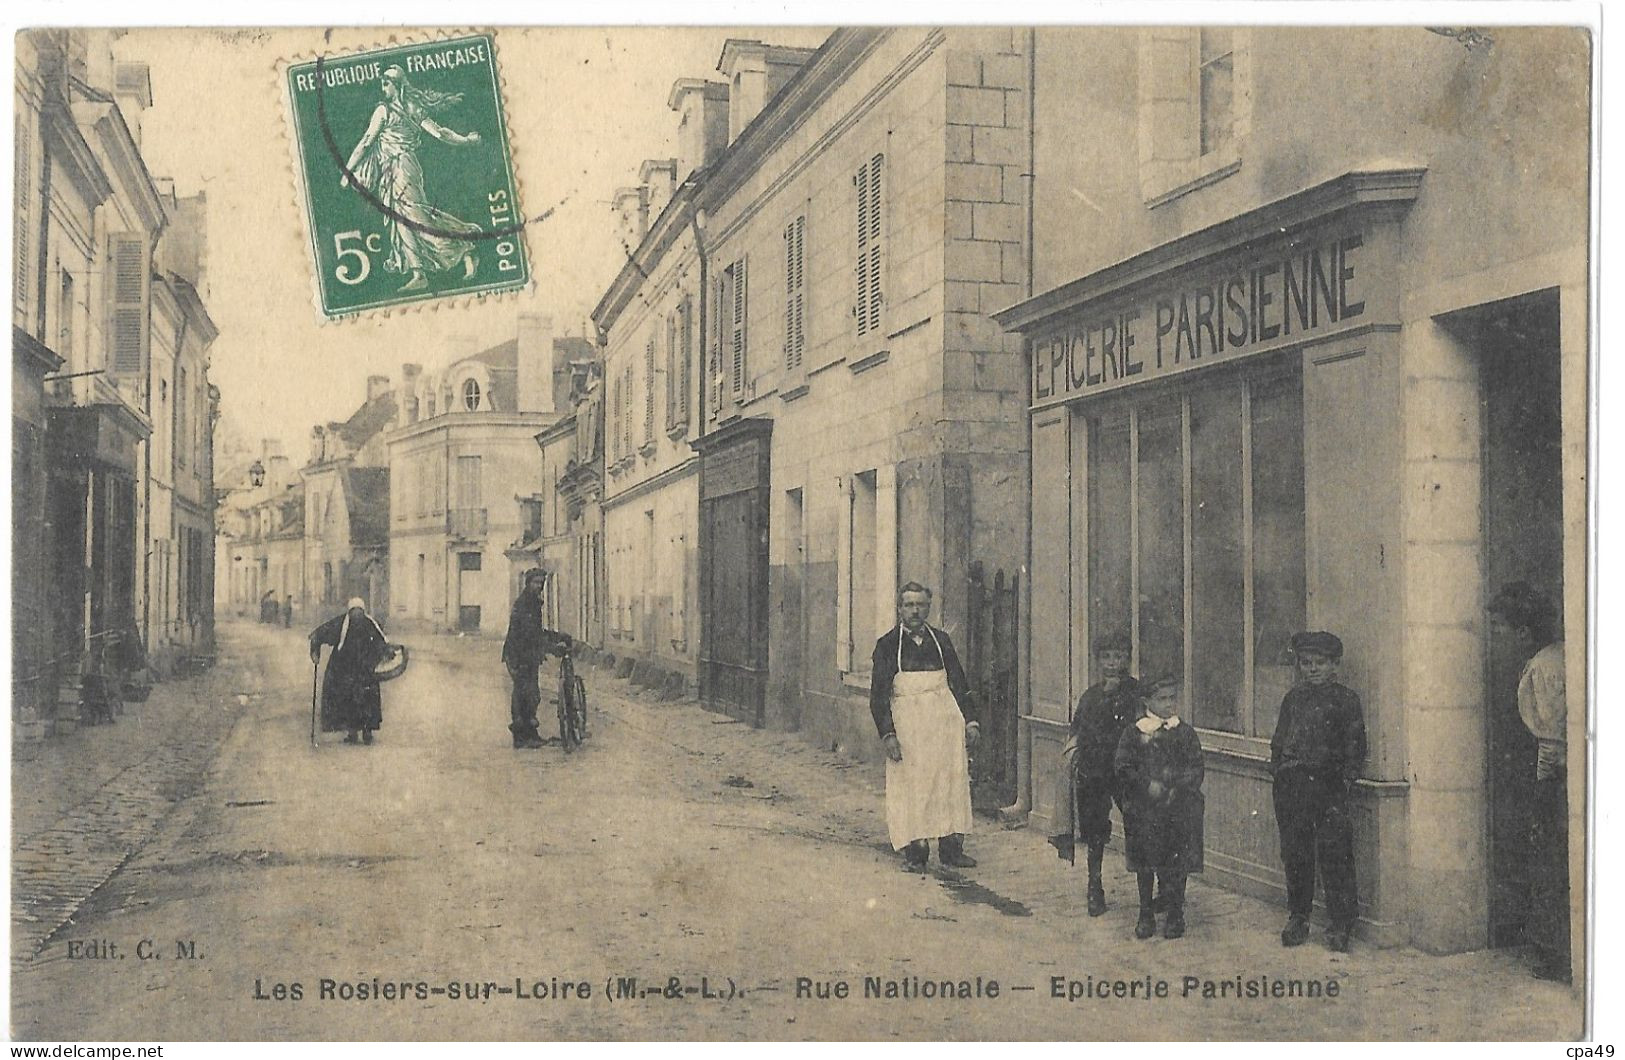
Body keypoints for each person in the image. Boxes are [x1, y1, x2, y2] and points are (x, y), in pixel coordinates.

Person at [1488, 582, 1570, 983]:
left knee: (1550, 861)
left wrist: (1542, 789)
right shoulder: (1554, 658)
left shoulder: (1545, 666)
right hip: (1553, 773)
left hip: (1554, 777)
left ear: (1522, 632)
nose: (1496, 636)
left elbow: (1552, 738)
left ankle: (1554, 953)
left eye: (1500, 628)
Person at [340, 65, 483, 293]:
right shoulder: (412, 108)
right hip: (396, 169)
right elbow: (440, 133)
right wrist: (466, 140)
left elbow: (366, 142)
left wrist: (348, 171)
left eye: (386, 83)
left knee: (417, 218)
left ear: (395, 85)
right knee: (402, 218)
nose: (383, 87)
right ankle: (419, 273)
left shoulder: (385, 111)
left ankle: (463, 248)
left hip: (402, 168)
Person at [871, 582, 979, 873]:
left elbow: (959, 682)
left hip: (944, 722)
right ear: (899, 608)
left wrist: (970, 720)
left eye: (920, 605)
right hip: (909, 726)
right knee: (912, 785)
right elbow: (878, 695)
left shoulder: (941, 641)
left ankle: (952, 848)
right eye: (909, 605)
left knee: (950, 781)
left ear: (928, 608)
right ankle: (915, 851)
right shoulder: (887, 645)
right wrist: (888, 734)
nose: (915, 610)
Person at [1269, 631, 1367, 951]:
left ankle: (1341, 924)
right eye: (1306, 663)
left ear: (1335, 665)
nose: (1312, 669)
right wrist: (1280, 771)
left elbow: (1356, 746)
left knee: (1335, 855)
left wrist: (1346, 781)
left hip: (1329, 787)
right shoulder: (1293, 699)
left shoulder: (1346, 700)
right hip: (1294, 785)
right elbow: (1279, 741)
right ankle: (1299, 917)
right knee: (1296, 853)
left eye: (1321, 663)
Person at [1051, 631, 1141, 917]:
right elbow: (1077, 731)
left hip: (1128, 771)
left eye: (1118, 656)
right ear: (1098, 661)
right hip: (1096, 771)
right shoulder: (1090, 697)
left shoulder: (1137, 693)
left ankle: (1148, 892)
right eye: (1106, 658)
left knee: (1139, 824)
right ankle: (1095, 885)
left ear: (1127, 658)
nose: (1112, 663)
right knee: (1095, 831)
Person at [1114, 674, 1204, 940]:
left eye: (1172, 698)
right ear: (1147, 701)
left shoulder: (1184, 732)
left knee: (1178, 860)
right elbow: (1123, 767)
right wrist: (1146, 784)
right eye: (1161, 699)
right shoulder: (1135, 732)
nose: (1168, 704)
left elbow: (1196, 767)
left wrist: (1177, 786)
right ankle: (1145, 914)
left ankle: (1176, 913)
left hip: (1179, 807)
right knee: (1145, 861)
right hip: (1146, 809)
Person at [309, 597, 395, 745]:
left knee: (351, 700)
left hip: (350, 672)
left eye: (358, 611)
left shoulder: (344, 622)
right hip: (363, 673)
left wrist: (315, 650)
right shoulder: (367, 623)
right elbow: (382, 643)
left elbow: (320, 634)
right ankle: (363, 732)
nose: (356, 614)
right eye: (355, 611)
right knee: (363, 701)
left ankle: (355, 732)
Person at [502, 569, 573, 749]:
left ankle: (529, 734)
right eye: (535, 582)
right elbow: (530, 635)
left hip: (527, 655)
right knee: (525, 694)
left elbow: (537, 633)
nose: (539, 586)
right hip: (518, 655)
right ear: (528, 583)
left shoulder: (533, 602)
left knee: (530, 694)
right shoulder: (525, 603)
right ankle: (522, 737)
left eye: (541, 583)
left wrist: (558, 637)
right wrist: (552, 647)